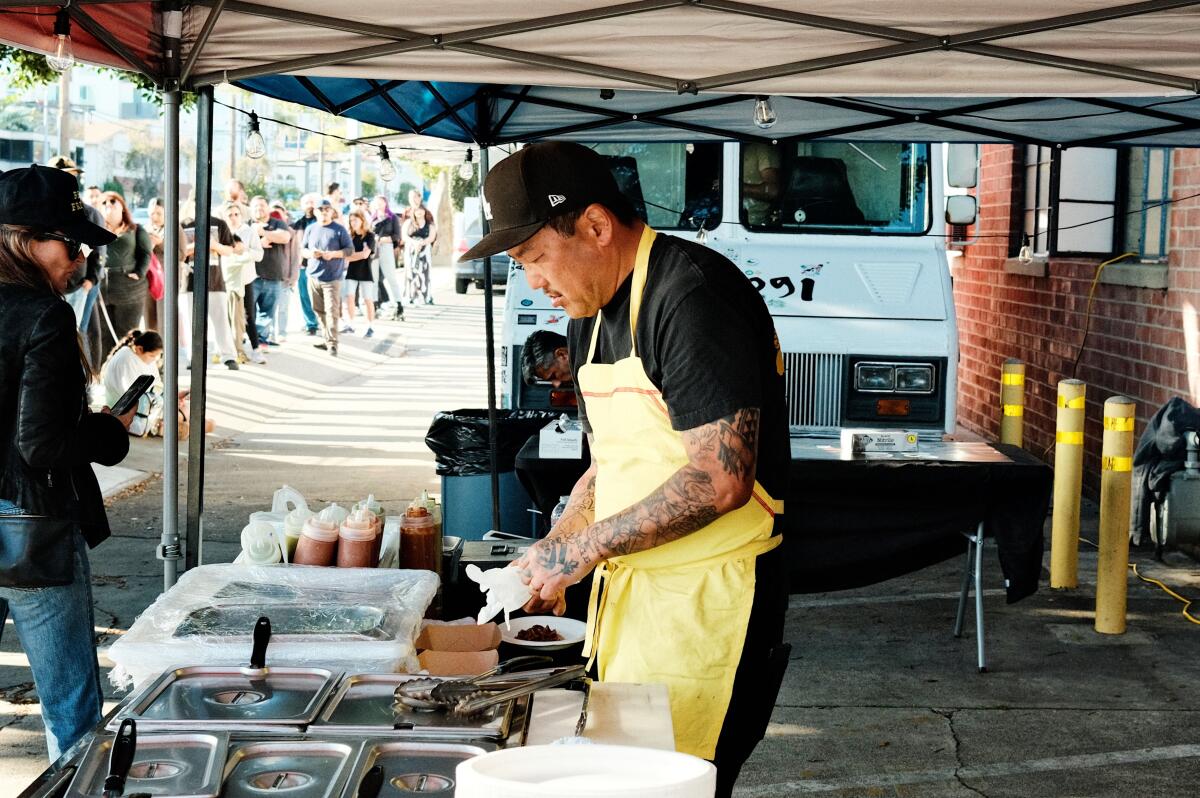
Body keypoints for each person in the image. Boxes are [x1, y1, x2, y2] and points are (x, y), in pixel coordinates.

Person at [462, 141, 790, 796]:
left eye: (533, 259)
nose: (532, 282)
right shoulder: (592, 310)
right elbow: (610, 464)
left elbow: (721, 477)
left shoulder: (690, 296)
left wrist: (583, 549)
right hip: (635, 607)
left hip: (710, 611)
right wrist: (556, 547)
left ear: (594, 226)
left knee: (678, 786)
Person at [0, 164, 134, 760]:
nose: (79, 258)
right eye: (70, 243)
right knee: (71, 704)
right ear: (25, 241)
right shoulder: (44, 315)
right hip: (32, 528)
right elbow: (42, 446)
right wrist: (107, 432)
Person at [45, 157, 105, 341]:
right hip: (47, 287)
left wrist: (92, 279)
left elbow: (99, 250)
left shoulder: (89, 213)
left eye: (72, 177)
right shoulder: (40, 210)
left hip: (77, 286)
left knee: (76, 334)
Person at [180, 199, 243, 370]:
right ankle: (194, 358)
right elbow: (180, 253)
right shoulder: (183, 225)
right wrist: (196, 245)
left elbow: (230, 250)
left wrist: (214, 245)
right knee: (191, 323)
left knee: (221, 320)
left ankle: (228, 357)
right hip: (190, 281)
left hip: (215, 280)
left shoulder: (219, 224)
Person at [98, 192, 153, 355]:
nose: (109, 204)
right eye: (104, 202)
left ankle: (127, 372)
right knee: (103, 334)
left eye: (113, 201)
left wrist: (139, 272)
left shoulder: (135, 229)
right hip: (102, 288)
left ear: (122, 206)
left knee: (127, 334)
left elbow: (146, 253)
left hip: (129, 288)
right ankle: (105, 374)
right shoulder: (95, 229)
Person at [300, 199, 352, 356]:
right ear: (315, 211)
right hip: (313, 276)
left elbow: (349, 250)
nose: (323, 211)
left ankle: (333, 344)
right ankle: (326, 337)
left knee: (331, 311)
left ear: (331, 212)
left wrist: (334, 254)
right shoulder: (310, 229)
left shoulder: (339, 229)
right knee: (318, 310)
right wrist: (311, 254)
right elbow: (303, 250)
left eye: (327, 209)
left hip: (332, 278)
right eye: (320, 209)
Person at [221, 202, 265, 365]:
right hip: (226, 279)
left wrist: (244, 250)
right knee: (227, 316)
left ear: (241, 215)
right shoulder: (221, 232)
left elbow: (259, 255)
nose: (233, 218)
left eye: (236, 214)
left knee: (248, 315)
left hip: (245, 279)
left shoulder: (249, 231)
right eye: (230, 215)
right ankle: (230, 350)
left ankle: (256, 349)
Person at [249, 195, 291, 348]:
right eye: (256, 206)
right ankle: (252, 339)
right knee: (249, 312)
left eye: (262, 205)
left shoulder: (277, 223)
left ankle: (261, 340)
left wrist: (264, 232)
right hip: (251, 276)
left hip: (274, 275)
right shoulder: (247, 225)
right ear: (250, 209)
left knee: (268, 312)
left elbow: (285, 237)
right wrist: (258, 241)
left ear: (268, 208)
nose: (259, 208)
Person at [145, 197, 186, 333]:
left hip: (166, 278)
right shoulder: (146, 228)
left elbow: (182, 254)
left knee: (164, 317)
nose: (155, 217)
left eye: (159, 213)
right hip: (148, 278)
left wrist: (161, 244)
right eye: (152, 214)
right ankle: (151, 350)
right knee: (149, 317)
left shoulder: (174, 227)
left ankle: (164, 351)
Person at [342, 209, 376, 338]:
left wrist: (353, 256)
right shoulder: (349, 237)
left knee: (367, 299)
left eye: (355, 220)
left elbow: (366, 254)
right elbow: (345, 256)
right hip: (351, 271)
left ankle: (370, 326)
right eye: (351, 220)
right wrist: (358, 255)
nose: (353, 223)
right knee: (349, 298)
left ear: (362, 220)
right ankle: (350, 325)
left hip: (365, 271)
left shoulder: (370, 236)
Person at [370, 195, 404, 321]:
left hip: (387, 248)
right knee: (373, 279)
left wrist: (384, 239)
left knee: (391, 277)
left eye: (381, 202)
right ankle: (374, 306)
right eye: (376, 202)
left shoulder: (392, 218)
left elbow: (397, 236)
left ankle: (399, 305)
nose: (379, 204)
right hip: (373, 250)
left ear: (385, 203)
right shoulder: (372, 218)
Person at [292, 193, 322, 336]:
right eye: (306, 203)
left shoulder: (322, 221)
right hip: (303, 266)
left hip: (319, 266)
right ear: (302, 206)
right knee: (304, 296)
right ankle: (311, 324)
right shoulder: (298, 223)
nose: (309, 205)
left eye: (312, 202)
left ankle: (323, 323)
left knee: (319, 296)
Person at [402, 203, 436, 305]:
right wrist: (414, 243)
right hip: (411, 252)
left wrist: (421, 243)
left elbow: (432, 237)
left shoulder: (430, 224)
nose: (419, 212)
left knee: (424, 273)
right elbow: (404, 236)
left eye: (421, 210)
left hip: (424, 252)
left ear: (425, 211)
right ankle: (411, 296)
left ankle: (426, 296)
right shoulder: (408, 223)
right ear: (414, 212)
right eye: (417, 210)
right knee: (410, 273)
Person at [741, 142, 782, 226]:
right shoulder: (732, 147)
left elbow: (772, 191)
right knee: (706, 235)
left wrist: (732, 186)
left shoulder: (763, 147)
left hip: (754, 227)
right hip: (723, 224)